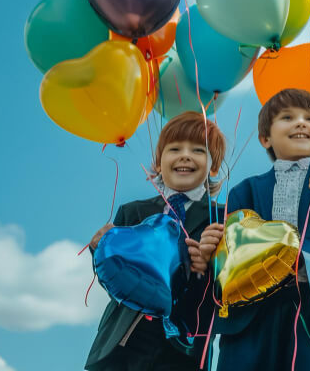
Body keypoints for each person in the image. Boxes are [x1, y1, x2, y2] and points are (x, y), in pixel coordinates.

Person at [196, 88, 310, 371]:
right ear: (265, 138)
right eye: (287, 117)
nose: (300, 123)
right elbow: (230, 247)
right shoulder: (246, 189)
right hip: (251, 308)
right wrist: (212, 251)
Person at [85, 111, 227, 371]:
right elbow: (113, 279)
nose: (185, 155)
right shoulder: (132, 212)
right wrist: (99, 250)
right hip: (121, 344)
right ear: (159, 162)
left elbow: (228, 290)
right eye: (175, 148)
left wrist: (207, 267)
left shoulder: (223, 218)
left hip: (181, 351)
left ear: (214, 166)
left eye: (198, 150)